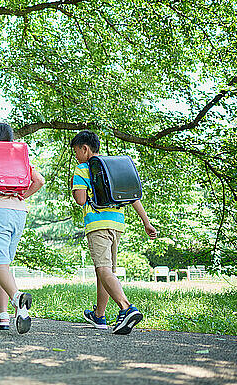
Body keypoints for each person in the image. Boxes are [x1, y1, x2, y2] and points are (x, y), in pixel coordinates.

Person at [71, 130, 157, 335]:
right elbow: (133, 196)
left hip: (97, 224)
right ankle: (99, 315)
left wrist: (75, 189)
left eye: (76, 151)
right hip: (117, 224)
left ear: (85, 148)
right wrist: (146, 222)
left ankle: (127, 308)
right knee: (106, 270)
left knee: (103, 269)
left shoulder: (83, 169)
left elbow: (81, 200)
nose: (76, 155)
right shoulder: (112, 167)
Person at [0, 123, 45, 334]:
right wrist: (22, 196)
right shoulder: (19, 158)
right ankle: (2, 315)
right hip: (19, 212)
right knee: (5, 265)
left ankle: (17, 300)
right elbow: (39, 180)